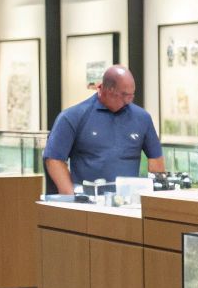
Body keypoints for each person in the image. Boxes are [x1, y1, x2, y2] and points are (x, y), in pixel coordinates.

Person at [42, 65, 164, 195]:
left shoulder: (142, 118)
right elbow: (54, 160)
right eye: (124, 95)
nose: (128, 100)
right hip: (88, 204)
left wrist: (155, 198)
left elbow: (156, 160)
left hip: (129, 203)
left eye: (131, 95)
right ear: (108, 90)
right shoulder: (72, 117)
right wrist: (70, 197)